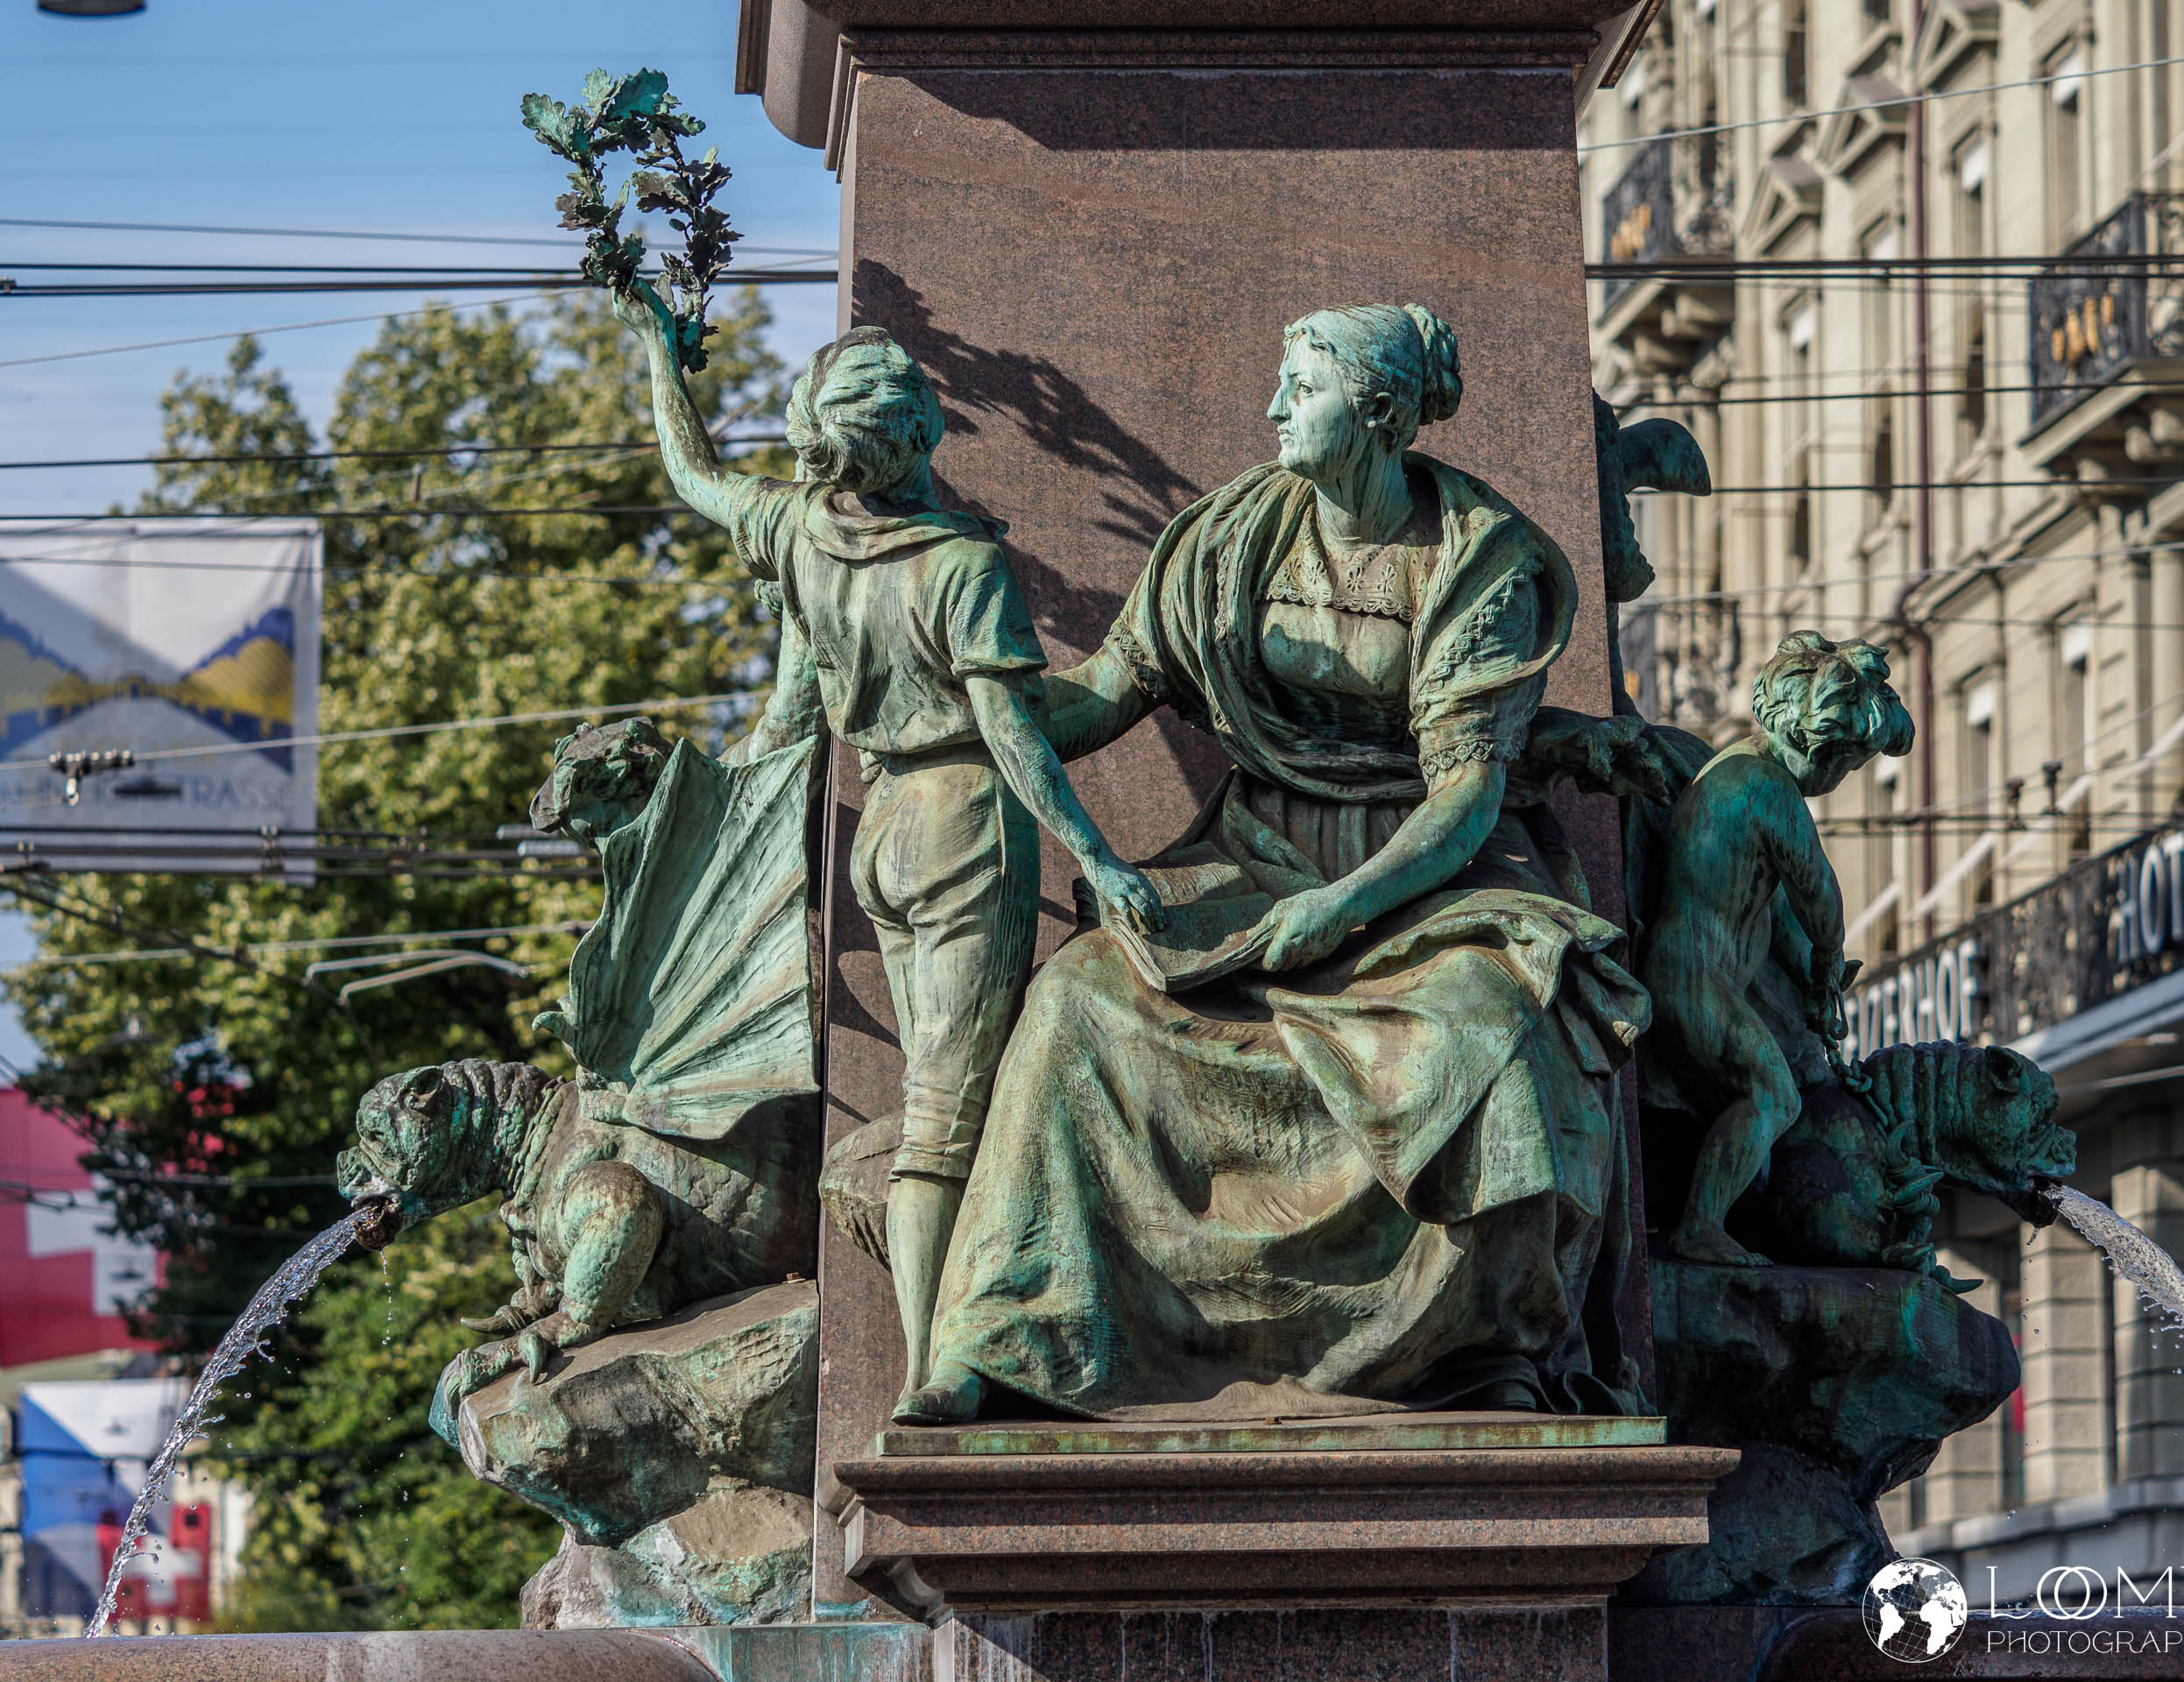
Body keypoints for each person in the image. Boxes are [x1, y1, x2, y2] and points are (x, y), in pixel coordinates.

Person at [901, 303, 1672, 1426]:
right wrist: (981, 704)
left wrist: (1342, 907)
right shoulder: (1229, 538)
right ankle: (1009, 1334)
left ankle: (1467, 1355)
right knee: (1073, 1004)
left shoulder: (1479, 556)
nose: (1269, 409)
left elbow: (1464, 797)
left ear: (1377, 410)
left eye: (1296, 388)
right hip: (1251, 856)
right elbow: (1108, 692)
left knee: (1494, 1037)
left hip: (1432, 875)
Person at [613, 286, 1161, 1420]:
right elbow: (1017, 736)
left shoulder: (801, 532)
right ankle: (941, 1370)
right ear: (916, 438)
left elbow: (690, 474)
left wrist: (658, 355)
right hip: (965, 824)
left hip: (886, 837)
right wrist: (1099, 858)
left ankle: (957, 1347)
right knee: (948, 1114)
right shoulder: (962, 571)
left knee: (932, 1099)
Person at [1643, 633, 1914, 1266]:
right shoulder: (1765, 787)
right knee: (1775, 1096)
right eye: (1848, 762)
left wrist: (1814, 979)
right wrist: (1826, 962)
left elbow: (1781, 917)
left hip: (1701, 976)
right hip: (1694, 980)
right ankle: (1700, 1227)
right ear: (1817, 743)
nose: (1844, 777)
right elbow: (1818, 895)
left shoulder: (1733, 770)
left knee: (1768, 1093)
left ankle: (1720, 1214)